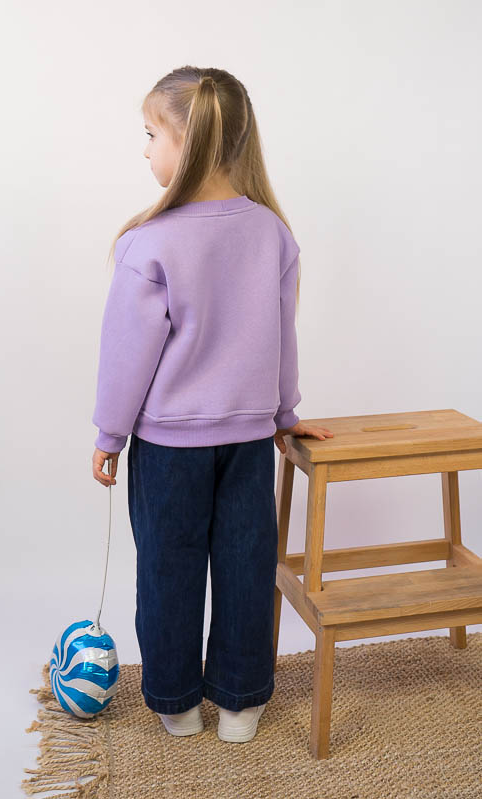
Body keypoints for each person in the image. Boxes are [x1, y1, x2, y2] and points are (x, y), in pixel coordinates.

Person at [91, 66, 334, 743]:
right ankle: (240, 703)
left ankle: (176, 702)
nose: (145, 149)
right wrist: (283, 416)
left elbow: (127, 353)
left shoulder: (150, 241)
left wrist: (109, 434)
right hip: (250, 443)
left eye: (151, 135)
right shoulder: (271, 232)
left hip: (169, 447)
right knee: (245, 567)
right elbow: (280, 336)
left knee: (168, 570)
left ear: (188, 141)